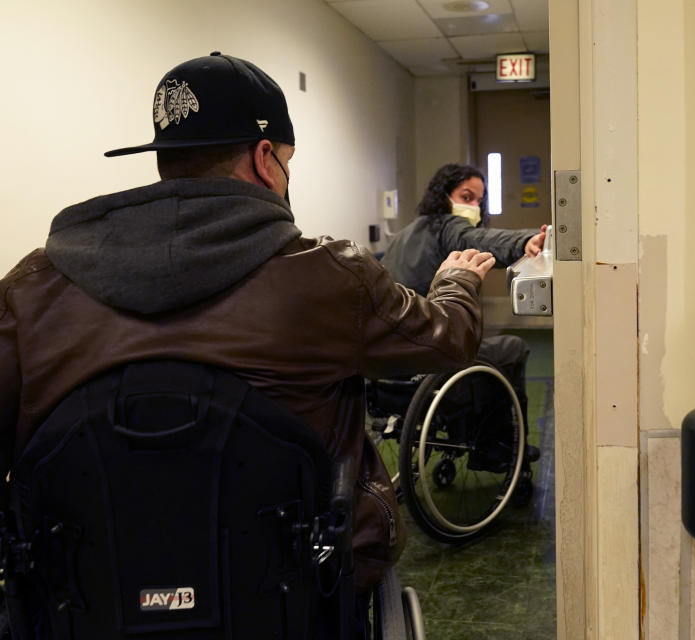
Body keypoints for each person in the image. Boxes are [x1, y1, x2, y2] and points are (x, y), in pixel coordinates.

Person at [0, 52, 495, 634]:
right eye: (287, 161)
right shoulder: (330, 275)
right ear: (266, 160)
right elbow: (446, 340)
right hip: (296, 602)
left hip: (85, 608)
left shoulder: (31, 290)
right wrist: (458, 278)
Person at [380, 163, 546, 464]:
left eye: (479, 201)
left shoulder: (402, 236)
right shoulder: (447, 228)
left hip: (391, 364)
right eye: (466, 197)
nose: (474, 207)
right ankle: (498, 446)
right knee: (510, 348)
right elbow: (481, 242)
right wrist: (526, 241)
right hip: (430, 357)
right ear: (443, 196)